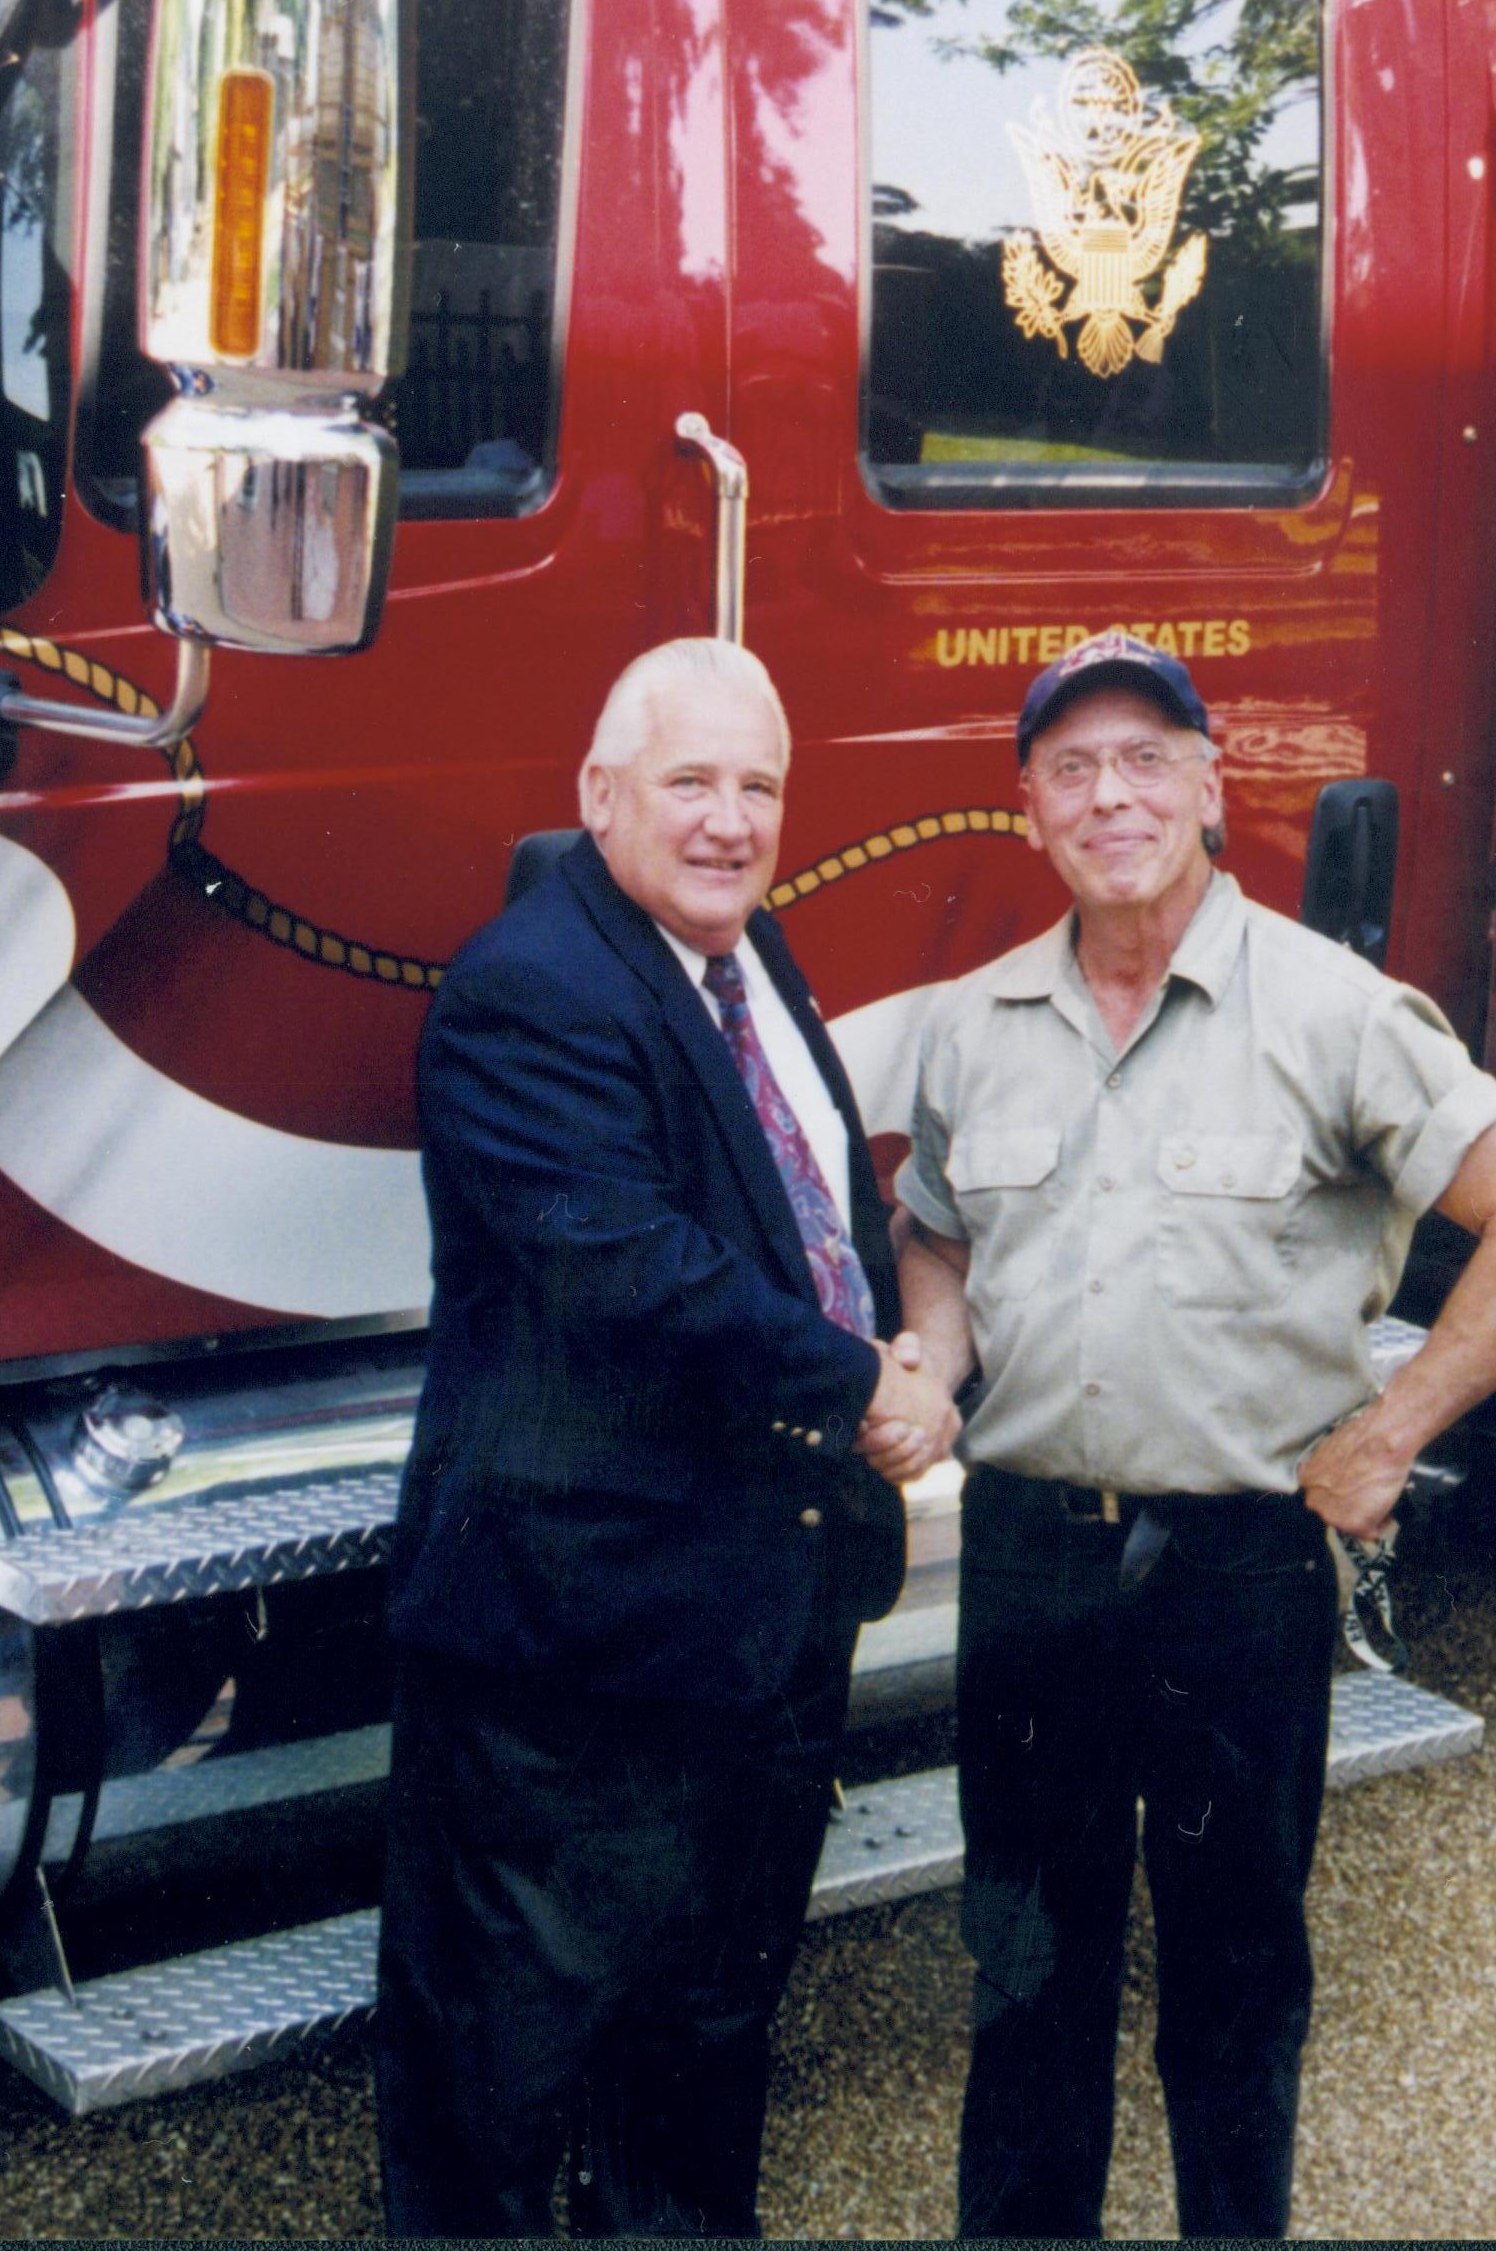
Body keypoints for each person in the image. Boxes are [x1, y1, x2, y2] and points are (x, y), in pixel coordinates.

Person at [875, 631, 1496, 2237]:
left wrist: (1391, 1433)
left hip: (1234, 1570)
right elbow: (932, 1228)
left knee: (1231, 1987)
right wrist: (932, 1356)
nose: (1110, 795)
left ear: (1212, 783)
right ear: (1027, 810)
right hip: (1030, 1565)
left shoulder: (1333, 1013)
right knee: (1021, 1982)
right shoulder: (975, 1022)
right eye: (1071, 769)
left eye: (1146, 759)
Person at [376, 637, 956, 2236]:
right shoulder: (527, 989)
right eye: (688, 782)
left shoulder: (746, 947)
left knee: (704, 2045)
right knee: (501, 2076)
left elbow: (799, 1212)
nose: (727, 821)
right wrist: (864, 1388)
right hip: (577, 1639)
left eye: (756, 786)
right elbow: (627, 1268)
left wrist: (885, 1350)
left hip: (755, 1618)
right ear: (597, 795)